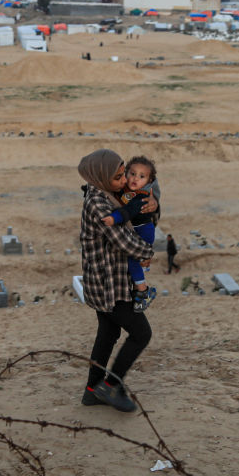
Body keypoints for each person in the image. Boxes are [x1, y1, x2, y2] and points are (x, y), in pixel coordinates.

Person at [77, 149, 157, 413]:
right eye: (119, 176)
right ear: (101, 176)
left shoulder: (105, 192)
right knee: (141, 333)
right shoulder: (99, 204)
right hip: (109, 285)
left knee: (108, 333)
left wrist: (155, 205)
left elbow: (140, 207)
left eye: (124, 174)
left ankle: (92, 391)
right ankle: (110, 385)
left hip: (105, 282)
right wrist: (147, 254)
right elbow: (123, 240)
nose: (125, 180)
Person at [100, 156, 160, 309]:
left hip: (143, 230)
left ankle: (143, 291)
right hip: (134, 229)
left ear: (148, 181)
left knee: (132, 262)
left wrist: (114, 218)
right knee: (132, 264)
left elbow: (129, 210)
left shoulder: (143, 196)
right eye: (132, 173)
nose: (135, 179)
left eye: (141, 176)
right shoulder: (125, 189)